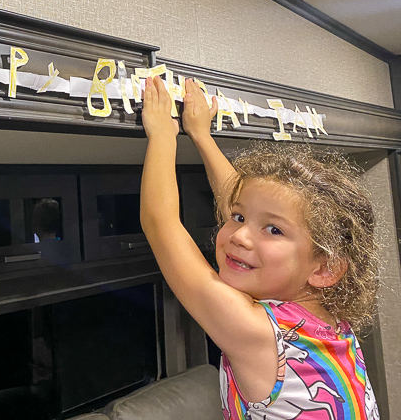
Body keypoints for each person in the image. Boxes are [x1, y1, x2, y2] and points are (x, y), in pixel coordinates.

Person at [139, 76, 380, 420]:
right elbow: (247, 202)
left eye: (274, 230)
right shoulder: (327, 320)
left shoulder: (258, 332)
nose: (240, 236)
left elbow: (160, 225)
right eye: (237, 218)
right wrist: (201, 136)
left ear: (324, 268)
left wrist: (163, 134)